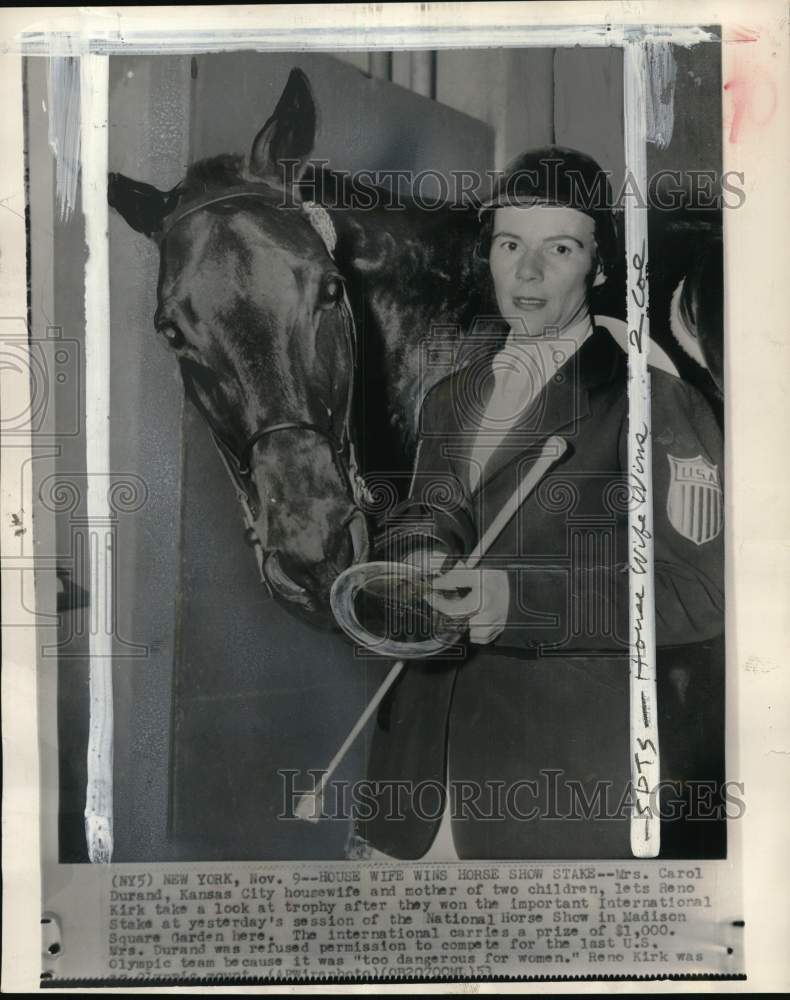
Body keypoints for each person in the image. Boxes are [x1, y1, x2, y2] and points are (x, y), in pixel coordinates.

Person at [347, 147, 725, 861]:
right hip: (414, 786)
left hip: (555, 790)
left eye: (559, 248)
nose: (527, 272)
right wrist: (412, 558)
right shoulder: (449, 398)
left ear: (600, 267)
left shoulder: (651, 401)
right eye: (510, 245)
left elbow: (700, 594)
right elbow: (431, 520)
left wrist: (512, 602)